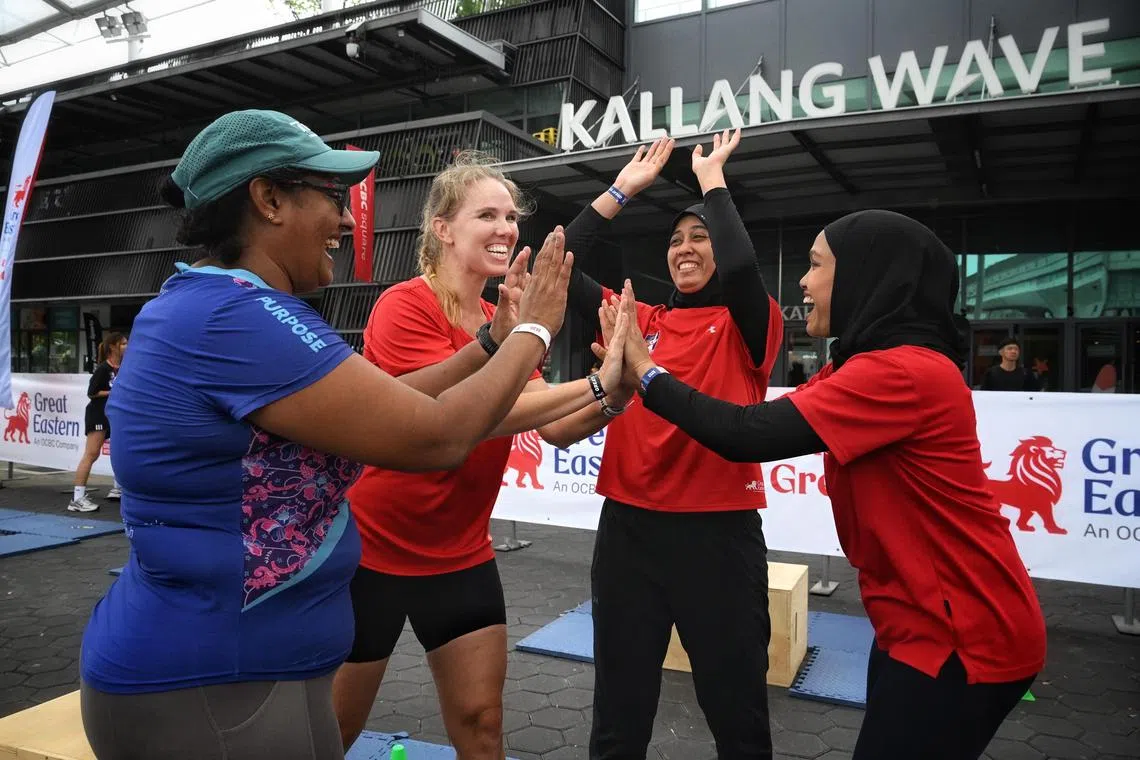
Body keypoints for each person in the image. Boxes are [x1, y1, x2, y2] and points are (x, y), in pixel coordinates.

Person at [78, 109, 588, 760]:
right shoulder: (236, 318)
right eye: (330, 197)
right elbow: (433, 437)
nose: (348, 221)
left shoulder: (230, 307)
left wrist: (492, 340)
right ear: (268, 199)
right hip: (211, 682)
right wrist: (535, 331)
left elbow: (393, 401)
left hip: (249, 670)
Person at [608, 209, 1046, 760]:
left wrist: (647, 372)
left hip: (965, 634)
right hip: (912, 624)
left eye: (815, 266)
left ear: (866, 276)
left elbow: (746, 434)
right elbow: (750, 420)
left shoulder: (901, 371)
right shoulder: (856, 363)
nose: (802, 282)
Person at [333, 152, 633, 757]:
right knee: (332, 730)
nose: (505, 228)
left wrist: (617, 393)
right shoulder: (404, 305)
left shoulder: (507, 317)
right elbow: (460, 421)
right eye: (487, 215)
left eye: (511, 216)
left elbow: (551, 425)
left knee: (482, 723)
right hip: (374, 553)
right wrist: (602, 381)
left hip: (461, 553)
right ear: (442, 228)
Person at [557, 130, 785, 760]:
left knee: (737, 717)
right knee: (618, 720)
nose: (685, 248)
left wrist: (711, 181)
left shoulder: (749, 324)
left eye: (700, 237)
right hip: (629, 536)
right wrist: (622, 189)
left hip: (718, 538)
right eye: (676, 240)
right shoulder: (641, 320)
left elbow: (741, 269)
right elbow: (563, 262)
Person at [68, 332, 127, 512]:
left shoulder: (123, 367)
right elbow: (92, 392)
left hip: (114, 415)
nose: (127, 346)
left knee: (119, 450)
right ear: (113, 347)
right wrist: (113, 392)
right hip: (98, 415)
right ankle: (77, 499)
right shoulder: (103, 369)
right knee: (91, 454)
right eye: (123, 344)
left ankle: (118, 488)